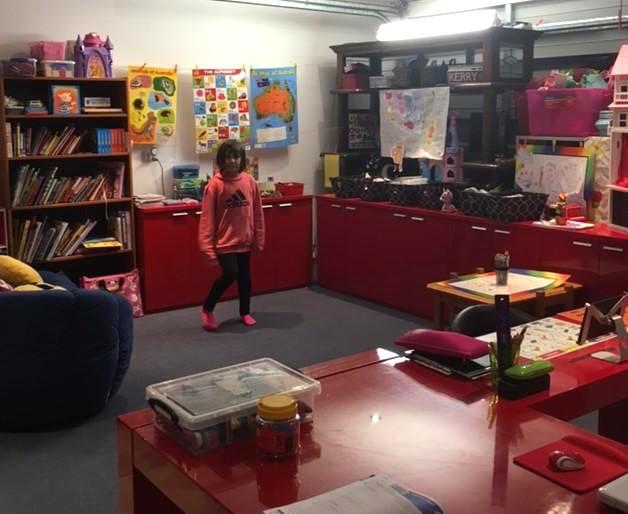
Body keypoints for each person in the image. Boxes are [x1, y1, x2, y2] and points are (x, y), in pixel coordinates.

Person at [198, 141, 265, 331]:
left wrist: (259, 240)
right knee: (230, 274)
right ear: (222, 160)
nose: (232, 161)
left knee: (245, 278)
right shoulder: (215, 185)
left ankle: (245, 311)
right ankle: (207, 308)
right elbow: (206, 220)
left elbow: (258, 213)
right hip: (224, 242)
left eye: (236, 157)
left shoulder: (249, 181)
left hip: (245, 241)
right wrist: (207, 249)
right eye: (228, 158)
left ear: (242, 159)